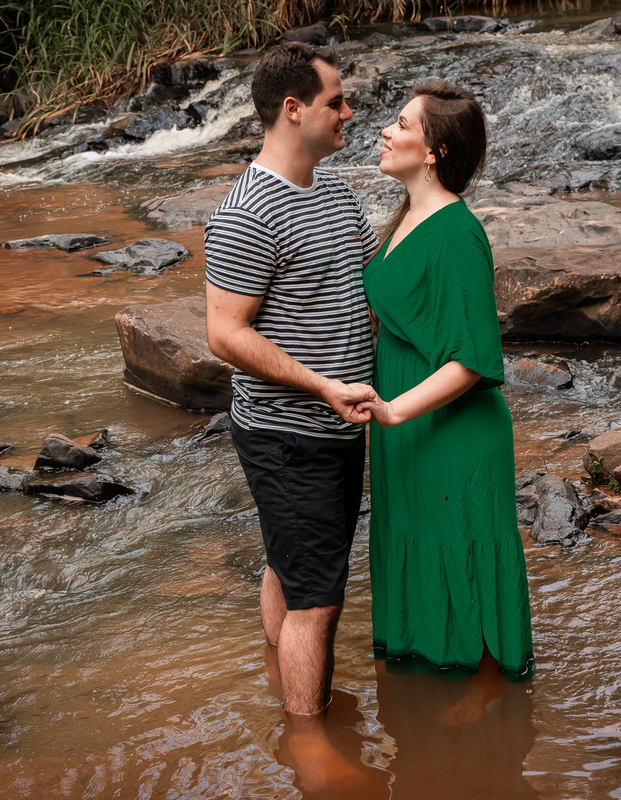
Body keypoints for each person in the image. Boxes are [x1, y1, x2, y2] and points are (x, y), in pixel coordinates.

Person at [203, 42, 380, 719]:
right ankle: (312, 751)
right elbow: (225, 334)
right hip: (289, 432)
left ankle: (282, 695)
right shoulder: (249, 211)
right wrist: (324, 386)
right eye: (337, 102)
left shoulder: (334, 193)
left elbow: (374, 290)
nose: (349, 112)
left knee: (287, 565)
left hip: (336, 423)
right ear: (294, 108)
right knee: (318, 603)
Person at [357, 80, 535, 680]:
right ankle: (430, 711)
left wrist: (393, 411)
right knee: (419, 545)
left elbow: (473, 359)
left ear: (433, 152)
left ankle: (485, 712)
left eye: (402, 124)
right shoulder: (405, 218)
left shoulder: (457, 233)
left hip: (447, 433)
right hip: (408, 428)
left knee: (458, 556)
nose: (386, 131)